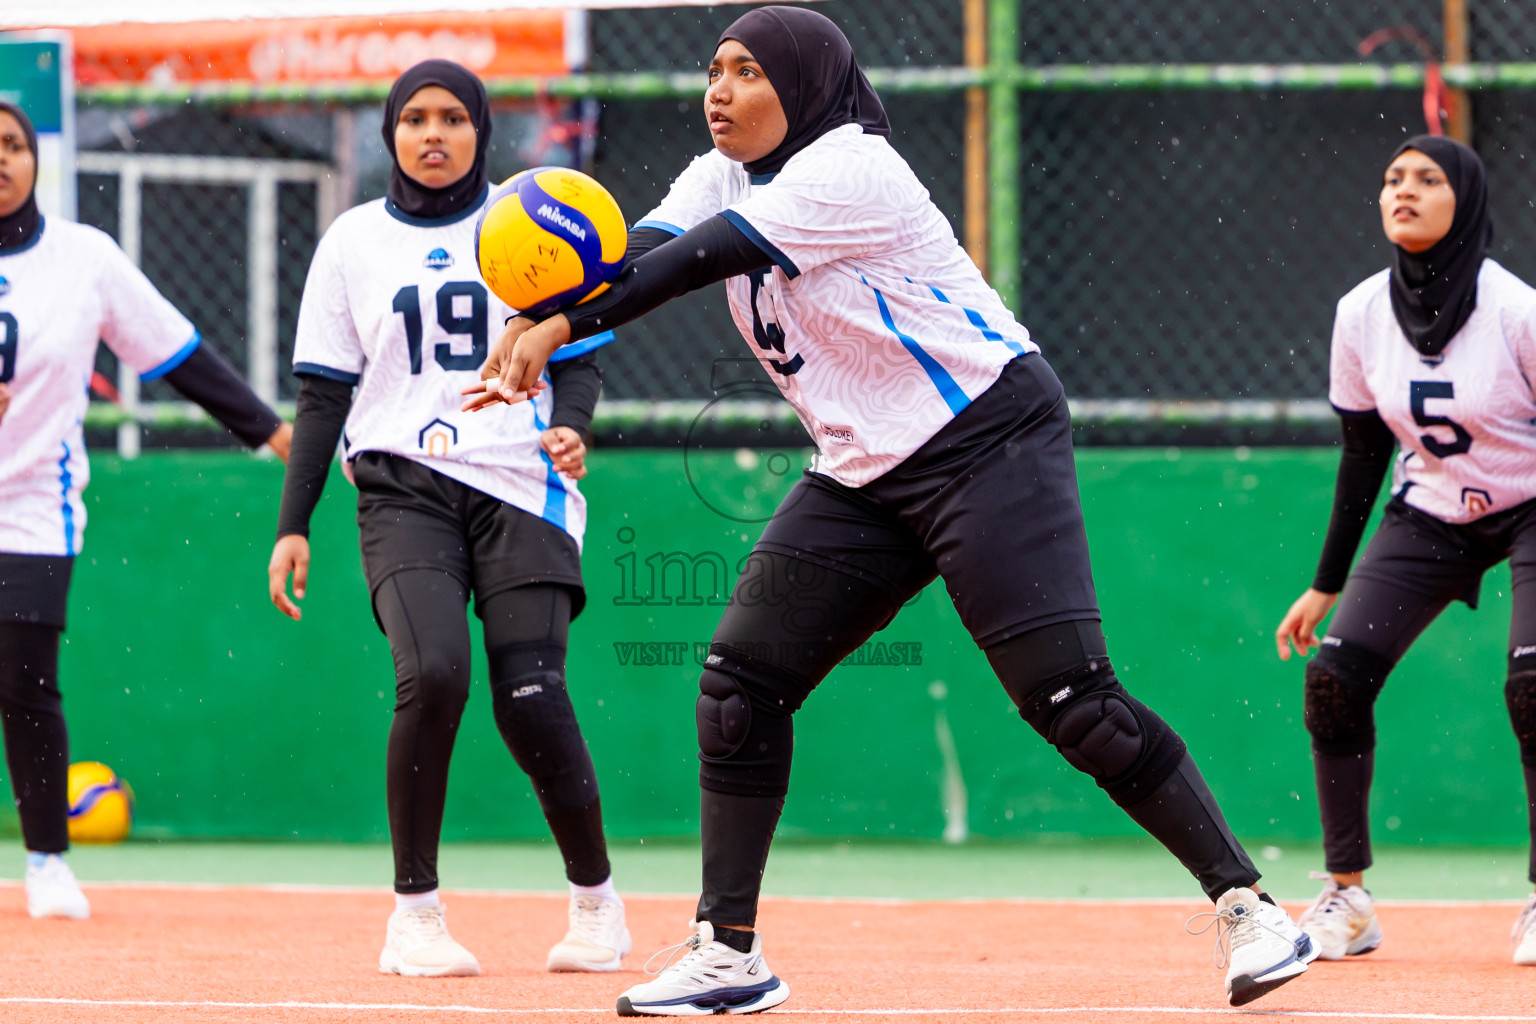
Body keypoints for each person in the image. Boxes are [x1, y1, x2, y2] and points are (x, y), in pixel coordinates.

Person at [465, 8, 1315, 1012]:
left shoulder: (850, 168)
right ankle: (729, 950)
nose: (720, 90)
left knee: (1070, 699)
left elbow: (691, 265)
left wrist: (563, 320)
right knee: (740, 686)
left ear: (807, 85)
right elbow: (631, 257)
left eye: (748, 71)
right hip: (863, 467)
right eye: (713, 70)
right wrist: (541, 308)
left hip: (985, 437)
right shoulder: (717, 172)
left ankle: (1250, 907)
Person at [267, 60, 627, 979]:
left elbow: (576, 351)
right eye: (416, 118)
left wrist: (570, 431)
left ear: (482, 130)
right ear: (390, 133)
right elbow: (321, 396)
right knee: (432, 672)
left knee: (532, 695)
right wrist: (293, 522)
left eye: (455, 119)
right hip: (402, 483)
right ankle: (415, 917)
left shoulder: (532, 216)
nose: (435, 134)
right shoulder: (351, 242)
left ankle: (597, 905)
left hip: (520, 482)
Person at [0, 101, 291, 920]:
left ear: (35, 159)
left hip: (31, 507)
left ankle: (47, 861)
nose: (1, 159)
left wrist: (270, 432)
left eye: (13, 145)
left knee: (24, 683)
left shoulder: (83, 260)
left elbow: (177, 351)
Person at [1275, 135, 1536, 966]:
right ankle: (1347, 898)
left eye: (1428, 179)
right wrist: (1325, 585)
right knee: (1333, 682)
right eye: (1392, 178)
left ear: (1468, 200)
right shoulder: (1359, 313)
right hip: (1430, 512)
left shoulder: (1517, 312)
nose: (1405, 190)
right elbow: (1363, 455)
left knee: (1534, 688)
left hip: (1532, 503)